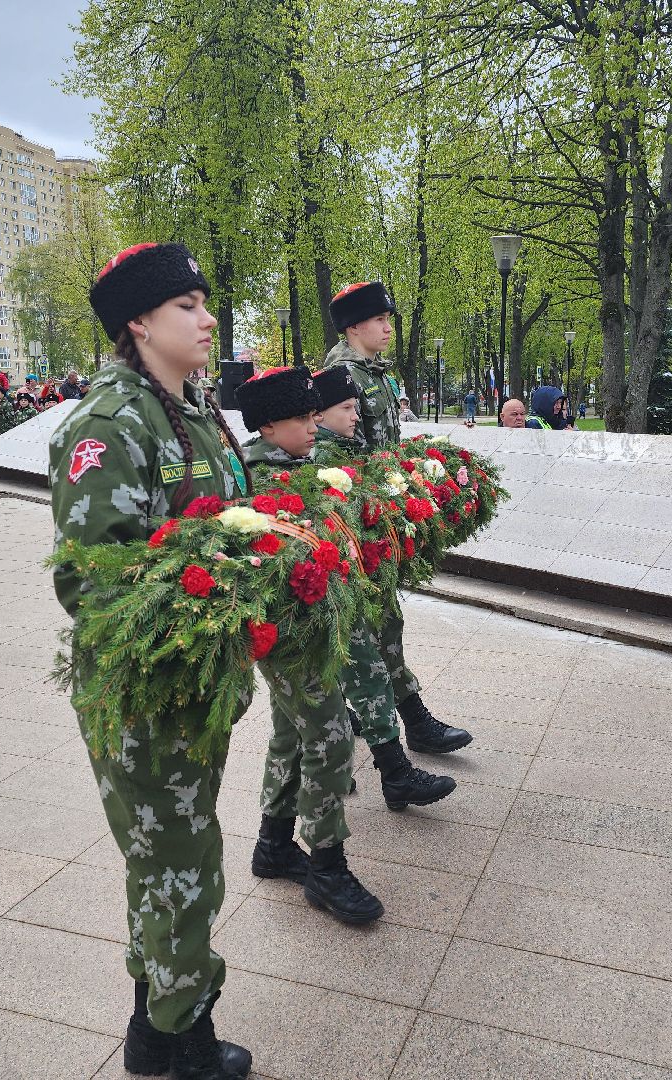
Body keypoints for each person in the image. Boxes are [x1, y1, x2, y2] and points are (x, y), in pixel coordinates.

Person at [50, 241, 252, 1080]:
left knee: (170, 855)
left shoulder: (193, 410)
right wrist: (211, 589)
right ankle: (187, 1039)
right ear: (138, 322)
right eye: (187, 307)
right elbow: (91, 584)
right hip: (144, 696)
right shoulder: (108, 428)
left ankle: (149, 1032)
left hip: (197, 685)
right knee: (181, 863)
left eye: (206, 304)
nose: (208, 320)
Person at [237, 366, 386, 925]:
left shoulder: (303, 465)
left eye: (312, 415)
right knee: (329, 735)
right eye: (301, 418)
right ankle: (327, 864)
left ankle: (274, 843)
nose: (312, 424)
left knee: (290, 733)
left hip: (314, 624)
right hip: (290, 632)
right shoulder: (256, 477)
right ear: (270, 426)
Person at [321, 281, 473, 761]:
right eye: (379, 320)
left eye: (390, 319)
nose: (388, 327)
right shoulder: (342, 376)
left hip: (381, 510)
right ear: (352, 327)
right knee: (373, 625)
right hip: (360, 516)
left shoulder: (377, 375)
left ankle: (379, 721)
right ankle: (396, 725)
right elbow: (340, 455)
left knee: (384, 620)